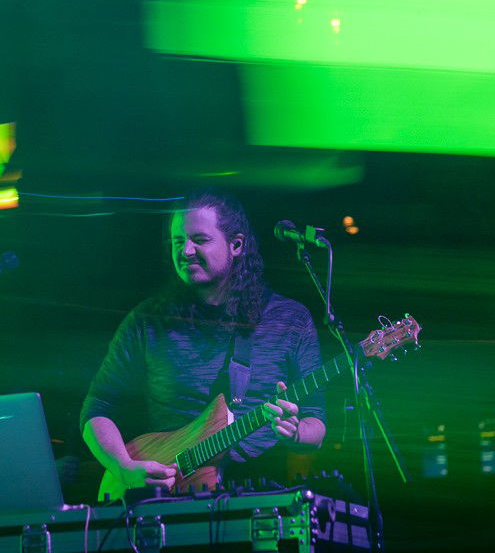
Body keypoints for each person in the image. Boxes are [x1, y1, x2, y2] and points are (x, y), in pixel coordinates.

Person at [80, 189, 326, 493]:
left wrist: (295, 432)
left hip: (261, 495)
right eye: (178, 241)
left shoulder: (289, 319)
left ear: (236, 245)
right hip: (167, 498)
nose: (186, 251)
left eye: (200, 239)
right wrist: (122, 466)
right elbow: (98, 407)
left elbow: (317, 423)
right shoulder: (147, 320)